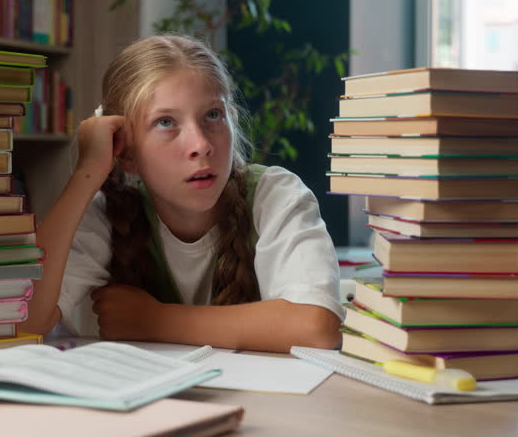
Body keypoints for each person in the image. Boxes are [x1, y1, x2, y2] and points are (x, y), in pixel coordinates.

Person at [20, 35, 343, 352]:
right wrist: (86, 174)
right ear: (126, 152)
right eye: (165, 122)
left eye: (212, 115)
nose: (201, 144)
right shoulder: (106, 216)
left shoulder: (274, 195)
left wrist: (153, 321)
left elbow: (317, 327)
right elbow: (23, 321)